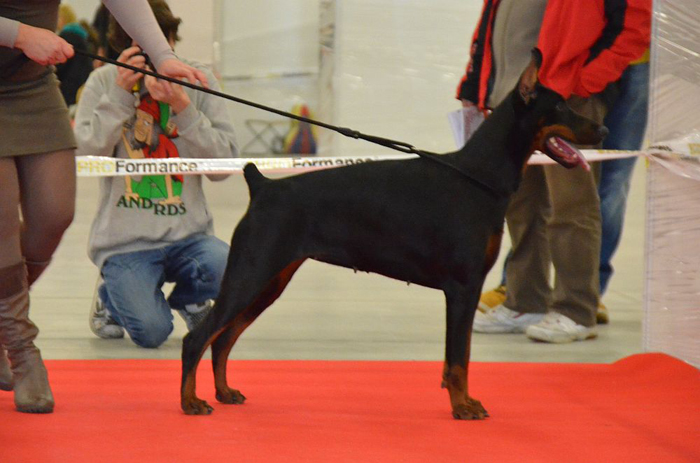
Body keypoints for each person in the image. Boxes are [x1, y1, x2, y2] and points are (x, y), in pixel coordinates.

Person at [0, 0, 208, 414]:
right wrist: (19, 35)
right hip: (26, 54)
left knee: (54, 215)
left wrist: (163, 55)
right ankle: (23, 351)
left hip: (33, 85)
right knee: (2, 230)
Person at [458, 0, 651, 343]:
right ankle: (525, 301)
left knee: (572, 205)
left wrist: (585, 81)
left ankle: (576, 310)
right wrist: (476, 85)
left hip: (567, 100)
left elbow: (634, 26)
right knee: (521, 206)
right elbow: (493, 20)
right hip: (514, 100)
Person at [74, 0, 238, 349]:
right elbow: (84, 153)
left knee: (230, 266)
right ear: (124, 46)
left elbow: (224, 166)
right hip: (125, 243)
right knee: (151, 333)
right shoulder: (103, 81)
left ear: (171, 40)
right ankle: (111, 296)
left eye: (161, 44)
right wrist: (119, 96)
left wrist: (183, 107)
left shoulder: (197, 79)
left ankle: (191, 299)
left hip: (190, 237)